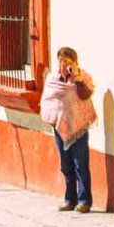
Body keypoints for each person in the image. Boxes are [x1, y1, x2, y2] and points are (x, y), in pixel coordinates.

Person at [40, 46, 98, 214]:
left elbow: (85, 94)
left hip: (78, 127)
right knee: (65, 165)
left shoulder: (82, 76)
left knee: (80, 164)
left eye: (67, 61)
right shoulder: (53, 78)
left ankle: (84, 200)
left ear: (74, 62)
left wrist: (78, 78)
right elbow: (48, 99)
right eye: (61, 60)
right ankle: (69, 199)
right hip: (59, 126)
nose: (63, 64)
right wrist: (54, 118)